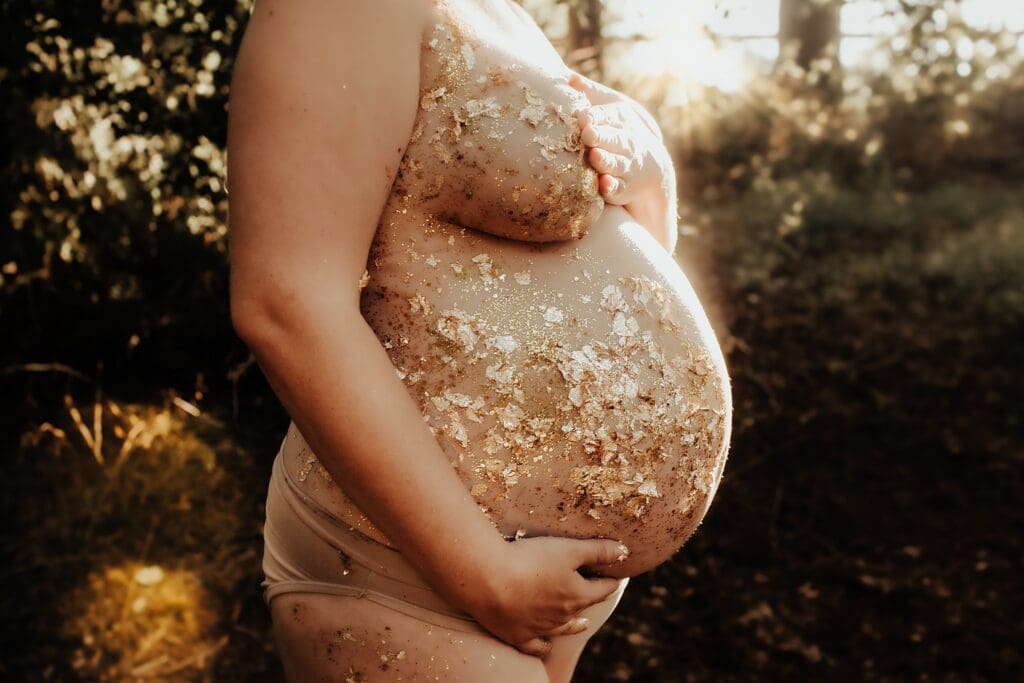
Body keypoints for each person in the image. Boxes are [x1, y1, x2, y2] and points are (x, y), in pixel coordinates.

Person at [226, 0, 732, 680]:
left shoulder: (504, 15)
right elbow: (285, 304)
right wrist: (483, 573)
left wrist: (649, 173)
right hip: (411, 579)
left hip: (539, 586)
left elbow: (606, 274)